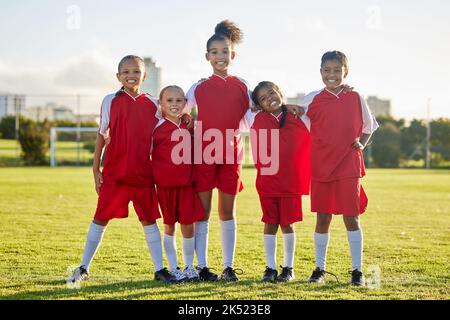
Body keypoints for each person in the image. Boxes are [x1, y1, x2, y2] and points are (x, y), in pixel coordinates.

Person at [67, 55, 177, 284]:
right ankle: (84, 267)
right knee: (100, 218)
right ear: (118, 76)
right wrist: (95, 167)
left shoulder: (155, 104)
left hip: (143, 174)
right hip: (115, 174)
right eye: (125, 72)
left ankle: (159, 269)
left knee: (149, 220)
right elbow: (101, 134)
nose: (131, 75)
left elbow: (171, 122)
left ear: (144, 75)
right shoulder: (110, 100)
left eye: (136, 71)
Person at [302, 50, 379, 286]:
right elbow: (295, 118)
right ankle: (319, 269)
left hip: (349, 164)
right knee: (323, 217)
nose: (332, 75)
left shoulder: (356, 97)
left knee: (351, 218)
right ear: (321, 72)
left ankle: (357, 272)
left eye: (337, 70)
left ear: (345, 71)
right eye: (327, 70)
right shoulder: (312, 98)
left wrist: (361, 145)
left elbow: (369, 126)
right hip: (321, 165)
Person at [185, 20, 253, 281]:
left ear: (232, 55)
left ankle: (228, 266)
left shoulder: (242, 86)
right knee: (202, 212)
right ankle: (202, 266)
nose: (220, 56)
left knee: (227, 211)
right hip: (203, 156)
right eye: (214, 52)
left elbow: (256, 115)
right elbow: (178, 113)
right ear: (207, 56)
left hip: (231, 156)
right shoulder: (198, 87)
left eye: (224, 51)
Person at [248, 81, 311, 282]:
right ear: (259, 105)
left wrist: (294, 106)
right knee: (270, 222)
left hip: (291, 182)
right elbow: (237, 104)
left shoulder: (296, 115)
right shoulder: (257, 118)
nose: (269, 99)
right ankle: (270, 268)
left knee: (288, 224)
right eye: (263, 99)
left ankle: (289, 268)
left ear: (280, 92)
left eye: (271, 93)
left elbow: (316, 111)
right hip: (268, 182)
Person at [152, 85, 205, 282]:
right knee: (169, 226)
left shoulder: (189, 125)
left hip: (186, 185)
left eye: (179, 100)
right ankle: (173, 267)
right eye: (169, 101)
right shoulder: (156, 127)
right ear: (161, 105)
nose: (174, 104)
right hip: (165, 186)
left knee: (188, 226)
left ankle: (189, 266)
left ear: (185, 103)